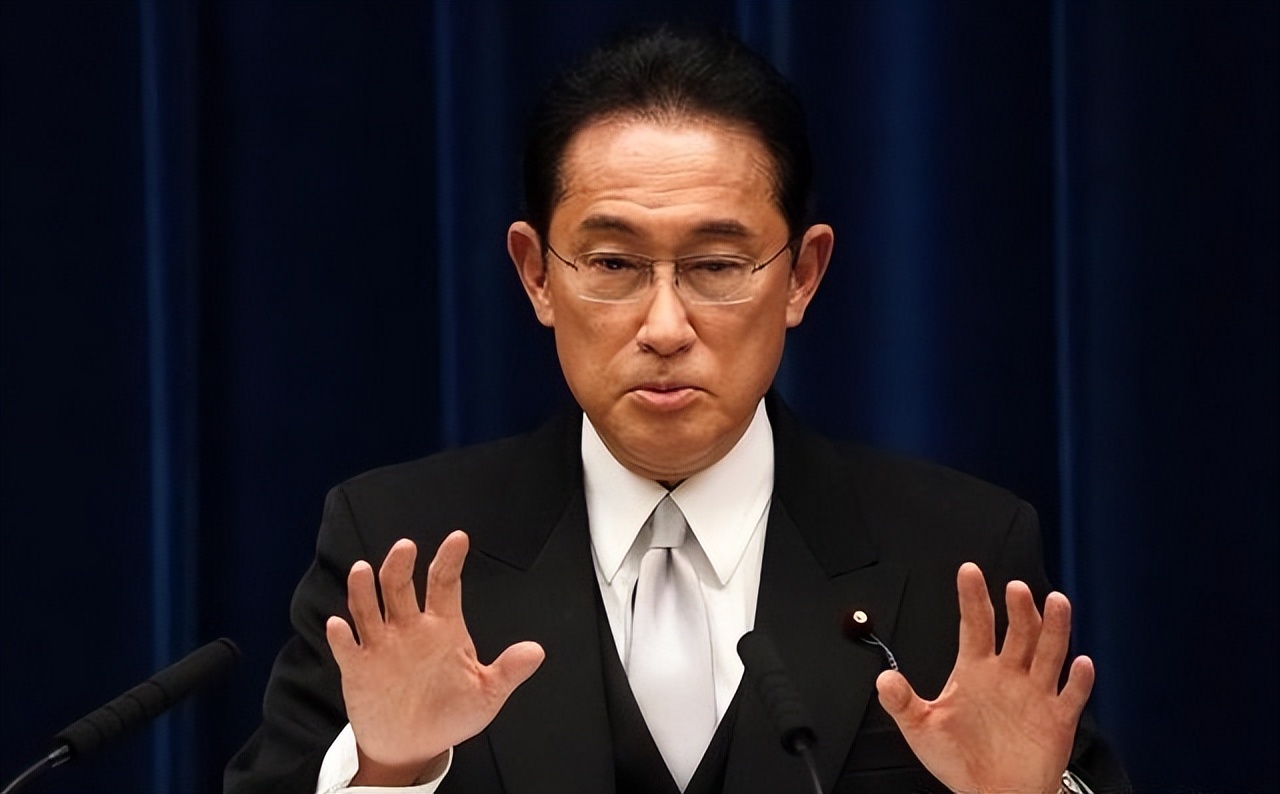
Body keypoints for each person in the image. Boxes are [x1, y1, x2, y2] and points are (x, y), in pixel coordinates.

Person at [225, 26, 1127, 794]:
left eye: (716, 266)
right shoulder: (399, 551)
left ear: (802, 275)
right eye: (614, 265)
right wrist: (390, 772)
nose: (664, 327)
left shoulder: (956, 556)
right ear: (536, 274)